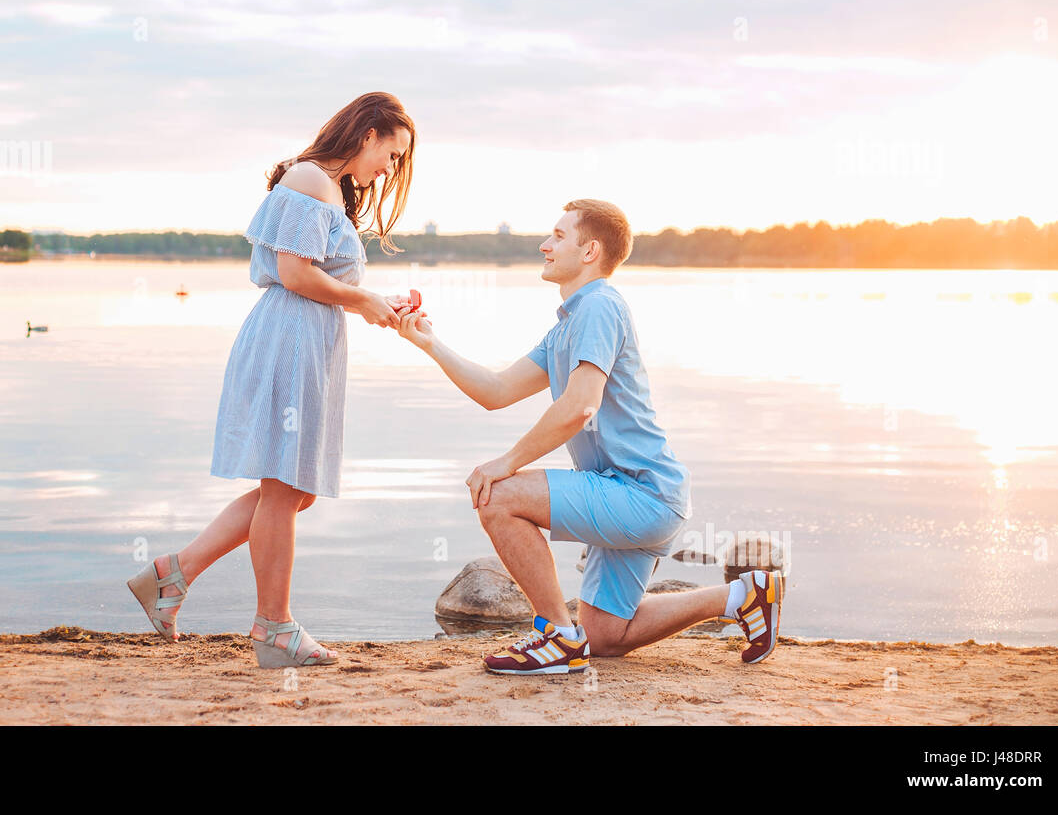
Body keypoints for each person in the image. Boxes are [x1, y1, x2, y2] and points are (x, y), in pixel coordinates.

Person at [395, 199, 784, 674]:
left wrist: (506, 463)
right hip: (633, 496)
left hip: (642, 494)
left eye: (558, 236)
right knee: (605, 635)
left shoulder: (599, 305)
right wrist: (429, 342)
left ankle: (557, 636)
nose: (545, 244)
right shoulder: (568, 325)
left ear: (590, 251)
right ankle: (742, 594)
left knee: (497, 496)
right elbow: (495, 392)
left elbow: (580, 406)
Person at [127, 92, 418, 668]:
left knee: (294, 490)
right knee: (285, 489)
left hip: (306, 341)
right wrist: (366, 300)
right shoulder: (310, 179)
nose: (391, 168)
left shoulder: (326, 188)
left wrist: (373, 301)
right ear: (368, 135)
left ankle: (170, 576)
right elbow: (293, 273)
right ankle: (274, 629)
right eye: (392, 152)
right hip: (289, 341)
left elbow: (313, 275)